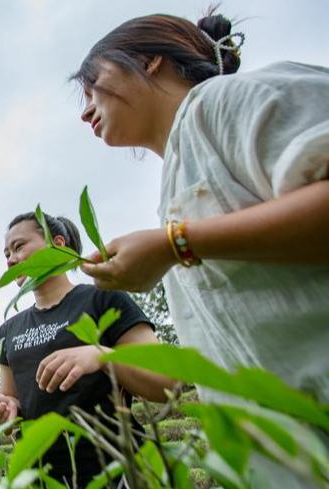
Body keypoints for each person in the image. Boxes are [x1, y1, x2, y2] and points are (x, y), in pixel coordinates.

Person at [71, 13, 329, 410]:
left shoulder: (228, 100)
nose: (86, 111)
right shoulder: (176, 177)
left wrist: (175, 245)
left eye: (92, 87)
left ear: (147, 60)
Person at [0, 212, 174, 487]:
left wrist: (102, 356)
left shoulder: (103, 298)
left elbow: (167, 383)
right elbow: (14, 404)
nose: (11, 259)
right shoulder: (9, 329)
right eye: (6, 253)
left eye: (19, 246)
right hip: (44, 478)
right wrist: (5, 408)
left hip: (115, 472)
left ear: (58, 244)